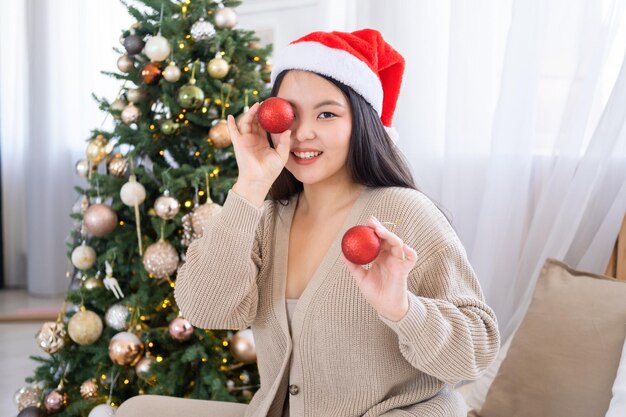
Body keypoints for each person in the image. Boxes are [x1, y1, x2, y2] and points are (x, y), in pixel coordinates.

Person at [117, 28, 500, 417]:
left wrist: (403, 309)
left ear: (362, 123)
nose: (302, 133)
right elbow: (206, 309)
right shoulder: (266, 217)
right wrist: (250, 184)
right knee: (138, 410)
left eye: (327, 113)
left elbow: (473, 356)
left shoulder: (406, 214)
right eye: (289, 114)